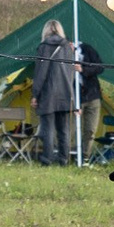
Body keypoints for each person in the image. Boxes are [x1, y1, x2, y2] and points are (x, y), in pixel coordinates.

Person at [32, 18, 81, 166]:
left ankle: (47, 159)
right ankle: (63, 160)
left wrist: (35, 94)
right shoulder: (68, 47)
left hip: (48, 93)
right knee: (63, 130)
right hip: (65, 92)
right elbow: (70, 72)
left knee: (48, 129)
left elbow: (41, 73)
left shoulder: (44, 46)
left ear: (46, 30)